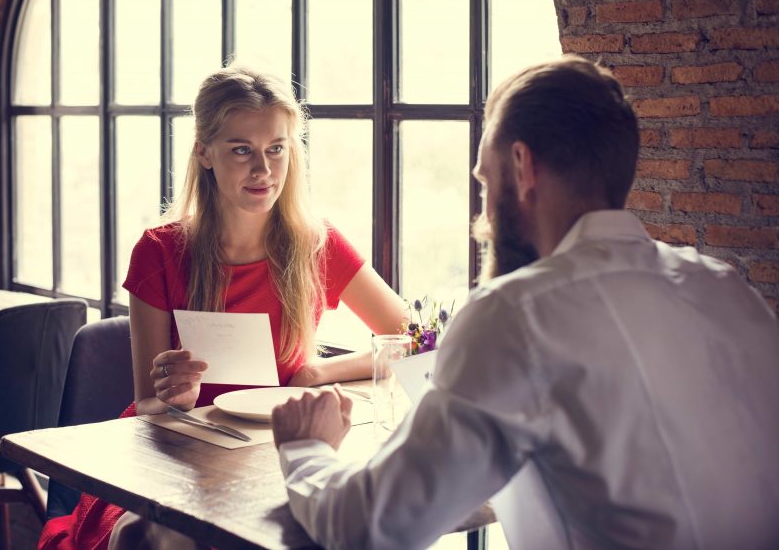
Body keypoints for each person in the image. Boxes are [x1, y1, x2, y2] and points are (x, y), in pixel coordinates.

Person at [271, 55, 779, 550]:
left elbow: (369, 527)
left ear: (522, 166)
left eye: (485, 181)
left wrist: (306, 448)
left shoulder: (517, 315)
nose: (483, 217)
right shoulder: (728, 290)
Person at [39, 66, 407, 550]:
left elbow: (413, 340)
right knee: (152, 537)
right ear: (204, 152)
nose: (263, 170)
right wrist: (174, 397)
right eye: (241, 150)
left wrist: (318, 372)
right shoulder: (159, 251)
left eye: (276, 149)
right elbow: (148, 403)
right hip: (177, 453)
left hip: (273, 457)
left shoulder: (319, 244)